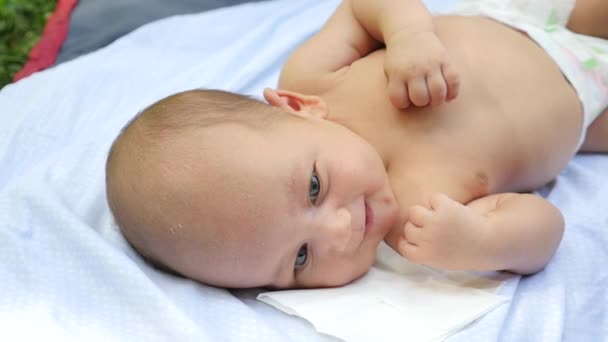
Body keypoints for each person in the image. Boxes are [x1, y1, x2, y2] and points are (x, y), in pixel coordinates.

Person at [105, 0, 608, 289]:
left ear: (296, 108)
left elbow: (365, 5)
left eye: (315, 187)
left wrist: (409, 36)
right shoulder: (421, 220)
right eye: (302, 258)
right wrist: (481, 242)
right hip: (588, 108)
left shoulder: (319, 81)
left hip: (522, 18)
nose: (341, 228)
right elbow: (545, 230)